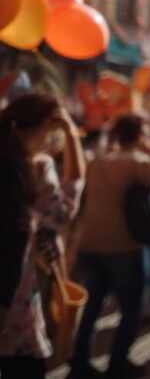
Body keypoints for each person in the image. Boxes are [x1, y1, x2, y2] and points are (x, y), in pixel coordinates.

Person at [71, 113, 150, 379]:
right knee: (131, 309)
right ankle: (118, 363)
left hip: (91, 245)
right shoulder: (137, 162)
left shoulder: (99, 162)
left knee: (91, 309)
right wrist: (148, 149)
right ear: (139, 135)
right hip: (124, 247)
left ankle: (79, 364)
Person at [0, 93, 86, 379]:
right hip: (13, 301)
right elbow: (64, 210)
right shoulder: (35, 167)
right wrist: (71, 134)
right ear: (46, 126)